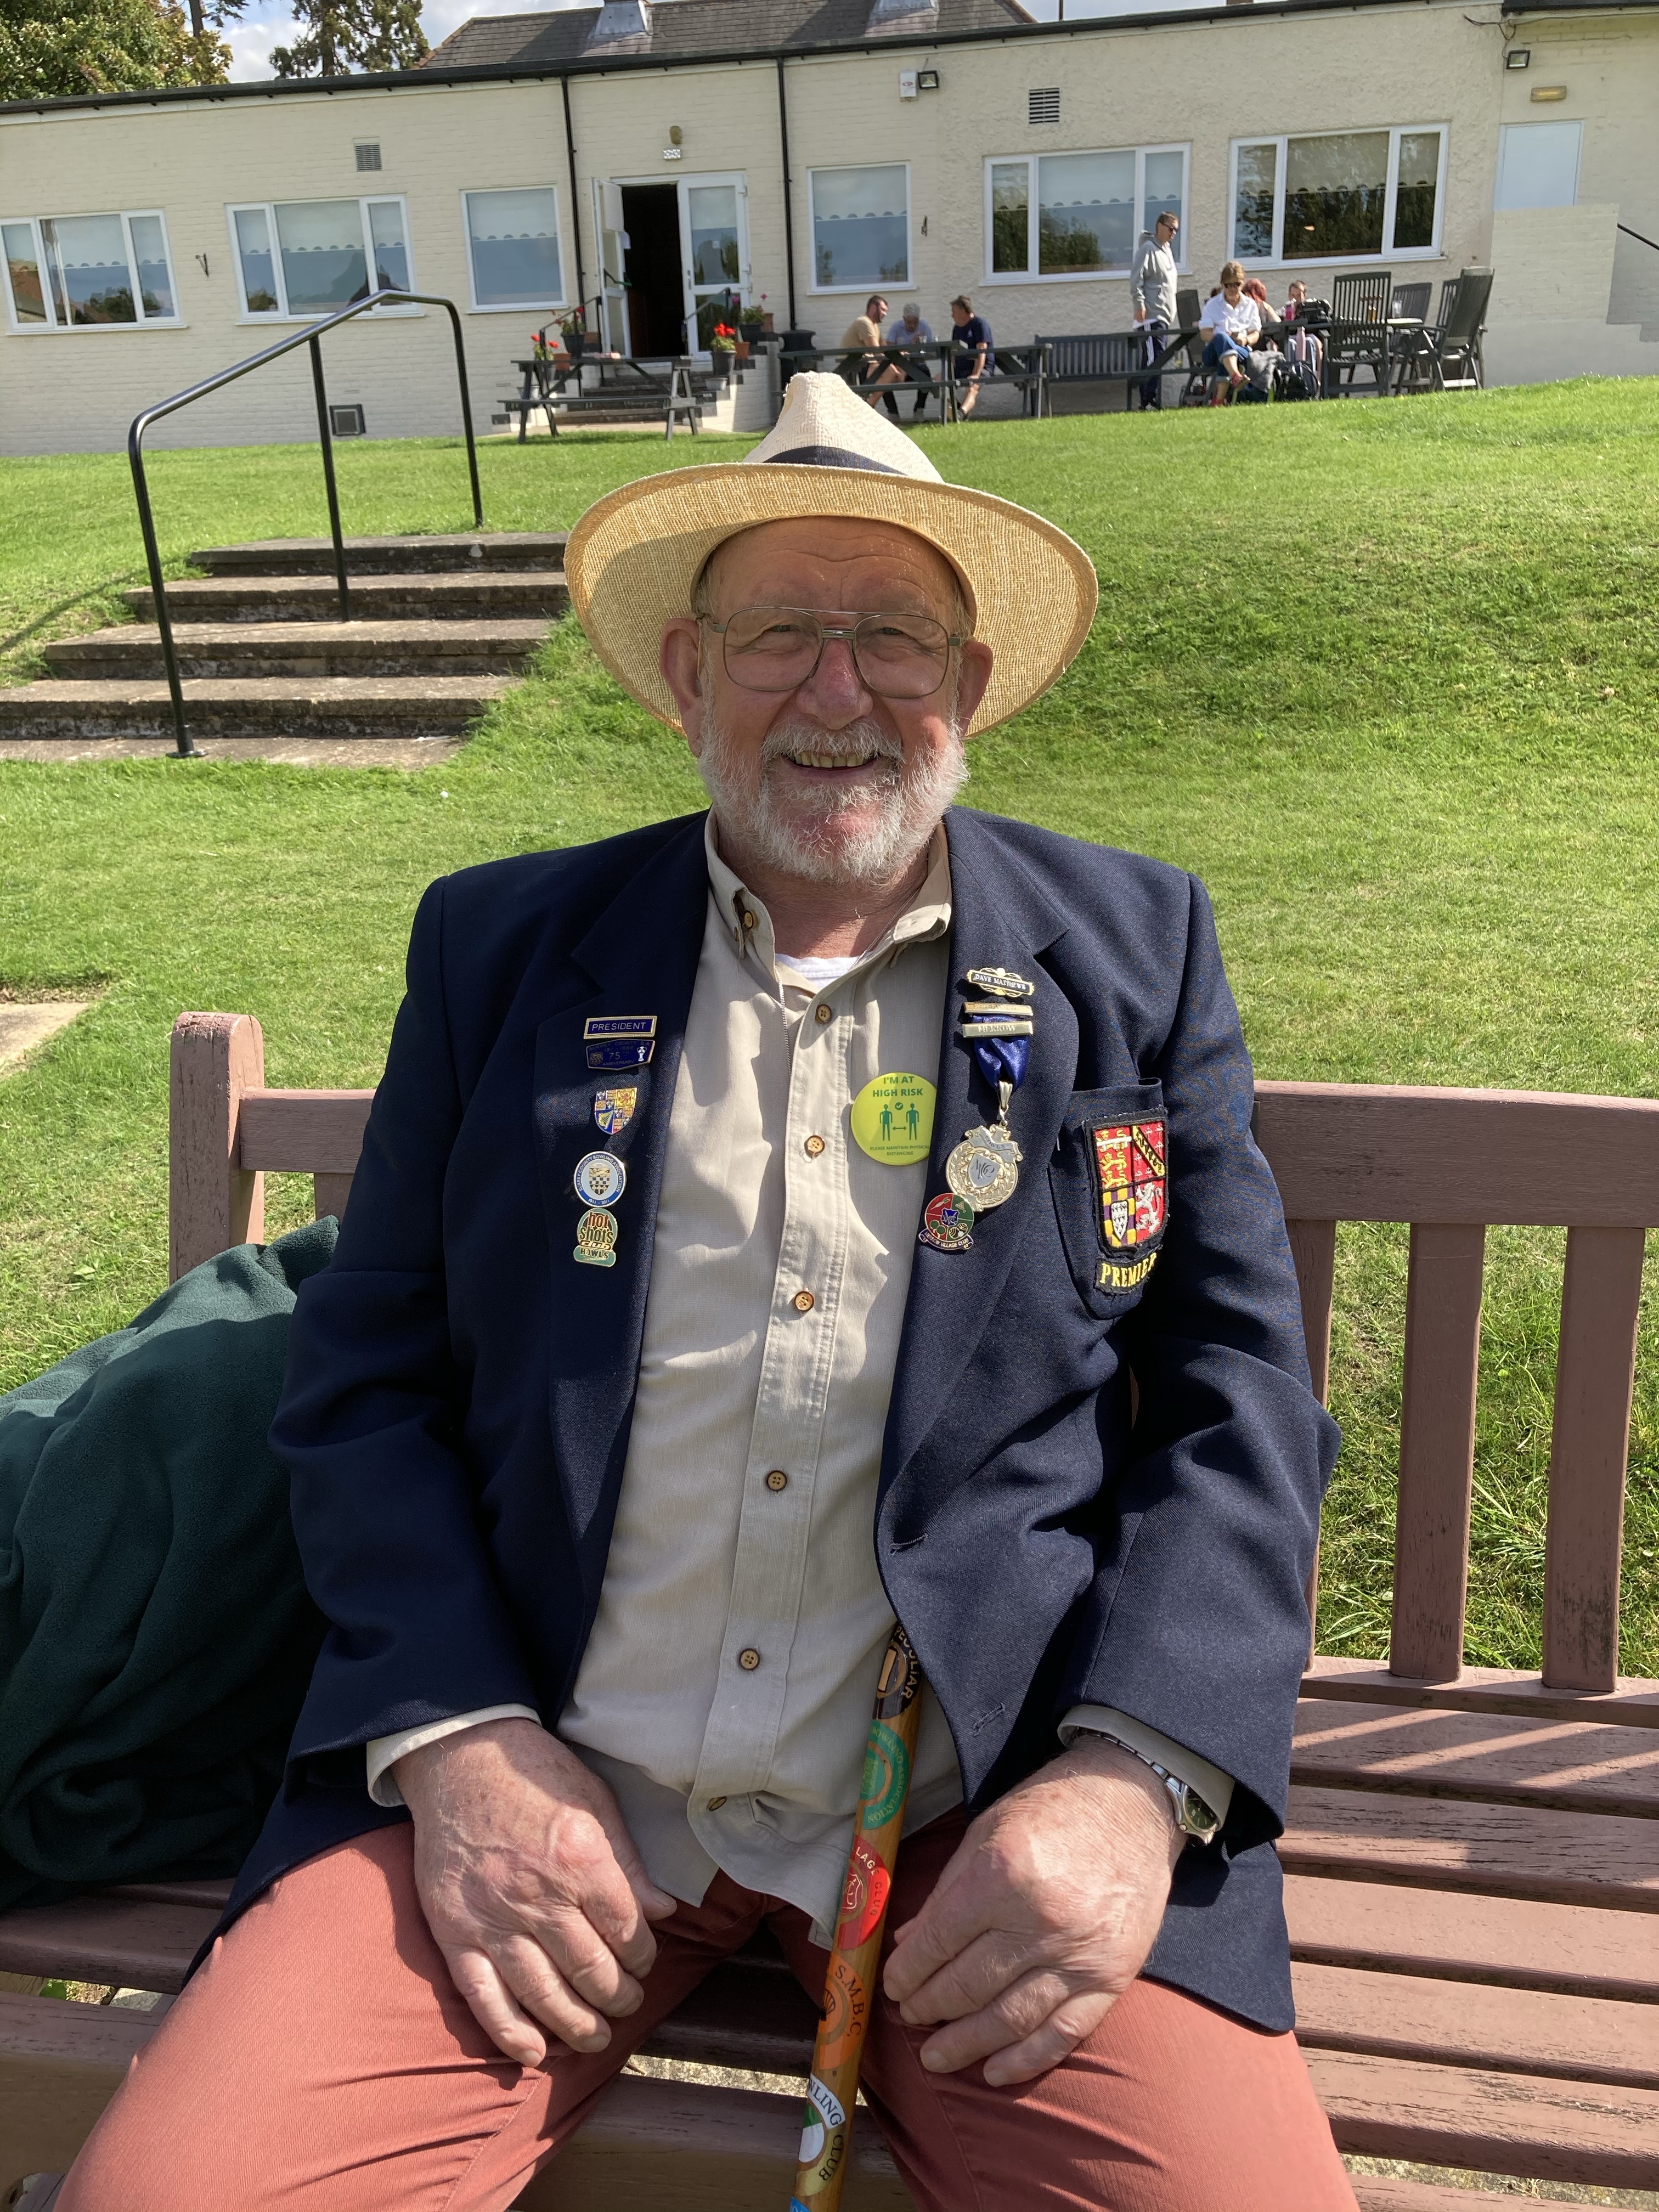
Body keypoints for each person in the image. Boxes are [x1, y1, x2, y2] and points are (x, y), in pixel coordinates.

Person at [59, 371, 1355, 2212]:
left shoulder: (1132, 954)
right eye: (777, 636)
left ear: (971, 682)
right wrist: (463, 1743)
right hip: (549, 1791)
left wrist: (1128, 1782)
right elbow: (367, 1376)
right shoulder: (501, 948)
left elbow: (1239, 1402)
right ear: (686, 674)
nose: (839, 692)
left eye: (894, 635)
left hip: (974, 1818)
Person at [1129, 210, 1180, 409]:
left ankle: (1151, 400)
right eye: (1171, 228)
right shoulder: (1148, 249)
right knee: (1153, 358)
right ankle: (1147, 402)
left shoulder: (1167, 251)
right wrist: (1139, 305)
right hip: (1150, 315)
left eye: (1176, 230)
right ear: (1160, 226)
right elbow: (1136, 280)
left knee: (1158, 358)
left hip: (1163, 316)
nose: (1174, 233)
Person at [1198, 261, 1263, 399]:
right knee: (1222, 339)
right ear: (1222, 284)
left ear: (1243, 283)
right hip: (1213, 352)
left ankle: (1219, 400)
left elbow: (1255, 333)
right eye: (1229, 285)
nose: (1233, 289)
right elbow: (1204, 334)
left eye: (1237, 284)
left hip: (1241, 349)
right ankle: (1236, 376)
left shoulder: (1250, 305)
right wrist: (1223, 337)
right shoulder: (1212, 305)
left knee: (1226, 355)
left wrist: (1244, 340)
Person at [842, 292, 905, 410]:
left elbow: (884, 349)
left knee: (898, 370)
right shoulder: (864, 322)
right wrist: (893, 368)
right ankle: (869, 405)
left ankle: (890, 412)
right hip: (854, 365)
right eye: (883, 310)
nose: (885, 314)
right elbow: (876, 350)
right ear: (873, 308)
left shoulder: (875, 326)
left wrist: (899, 355)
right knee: (890, 372)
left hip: (867, 363)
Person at [883, 299, 936, 419]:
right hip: (899, 366)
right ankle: (893, 412)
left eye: (915, 323)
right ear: (904, 319)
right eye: (909, 322)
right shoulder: (896, 327)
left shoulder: (924, 326)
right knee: (883, 377)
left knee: (926, 375)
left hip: (918, 364)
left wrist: (921, 345)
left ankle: (919, 409)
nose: (912, 326)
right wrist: (908, 347)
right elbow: (888, 348)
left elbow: (931, 349)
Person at [948, 292, 992, 415]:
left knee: (972, 387)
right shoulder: (957, 328)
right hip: (961, 368)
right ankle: (957, 407)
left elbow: (981, 351)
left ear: (963, 312)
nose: (952, 316)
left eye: (954, 312)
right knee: (938, 382)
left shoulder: (979, 324)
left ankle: (961, 414)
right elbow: (953, 352)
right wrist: (951, 371)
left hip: (982, 368)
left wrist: (976, 374)